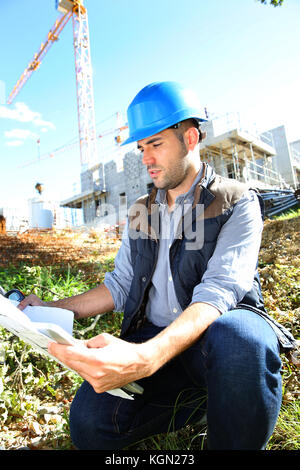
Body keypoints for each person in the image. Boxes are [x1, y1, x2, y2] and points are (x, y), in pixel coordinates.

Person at [18, 81, 296, 450]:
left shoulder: (236, 201)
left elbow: (218, 293)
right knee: (89, 422)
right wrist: (50, 310)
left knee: (243, 342)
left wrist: (147, 359)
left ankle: (231, 406)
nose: (145, 158)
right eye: (141, 147)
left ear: (191, 138)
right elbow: (120, 284)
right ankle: (201, 403)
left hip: (213, 341)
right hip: (153, 339)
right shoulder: (142, 211)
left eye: (156, 144)